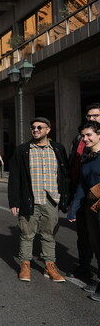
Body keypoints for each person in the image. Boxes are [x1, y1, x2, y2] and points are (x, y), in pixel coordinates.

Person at [8, 117, 69, 283]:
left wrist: (65, 198)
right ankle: (25, 265)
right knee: (26, 234)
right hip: (30, 199)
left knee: (49, 235)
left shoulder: (58, 149)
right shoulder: (22, 150)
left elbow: (65, 175)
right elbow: (14, 177)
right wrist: (14, 201)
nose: (35, 130)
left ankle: (50, 266)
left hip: (51, 199)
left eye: (39, 127)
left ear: (48, 130)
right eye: (33, 128)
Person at [66, 103, 100, 280]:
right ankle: (84, 266)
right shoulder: (80, 141)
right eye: (89, 116)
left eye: (95, 116)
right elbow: (75, 167)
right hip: (84, 194)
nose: (92, 118)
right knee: (85, 235)